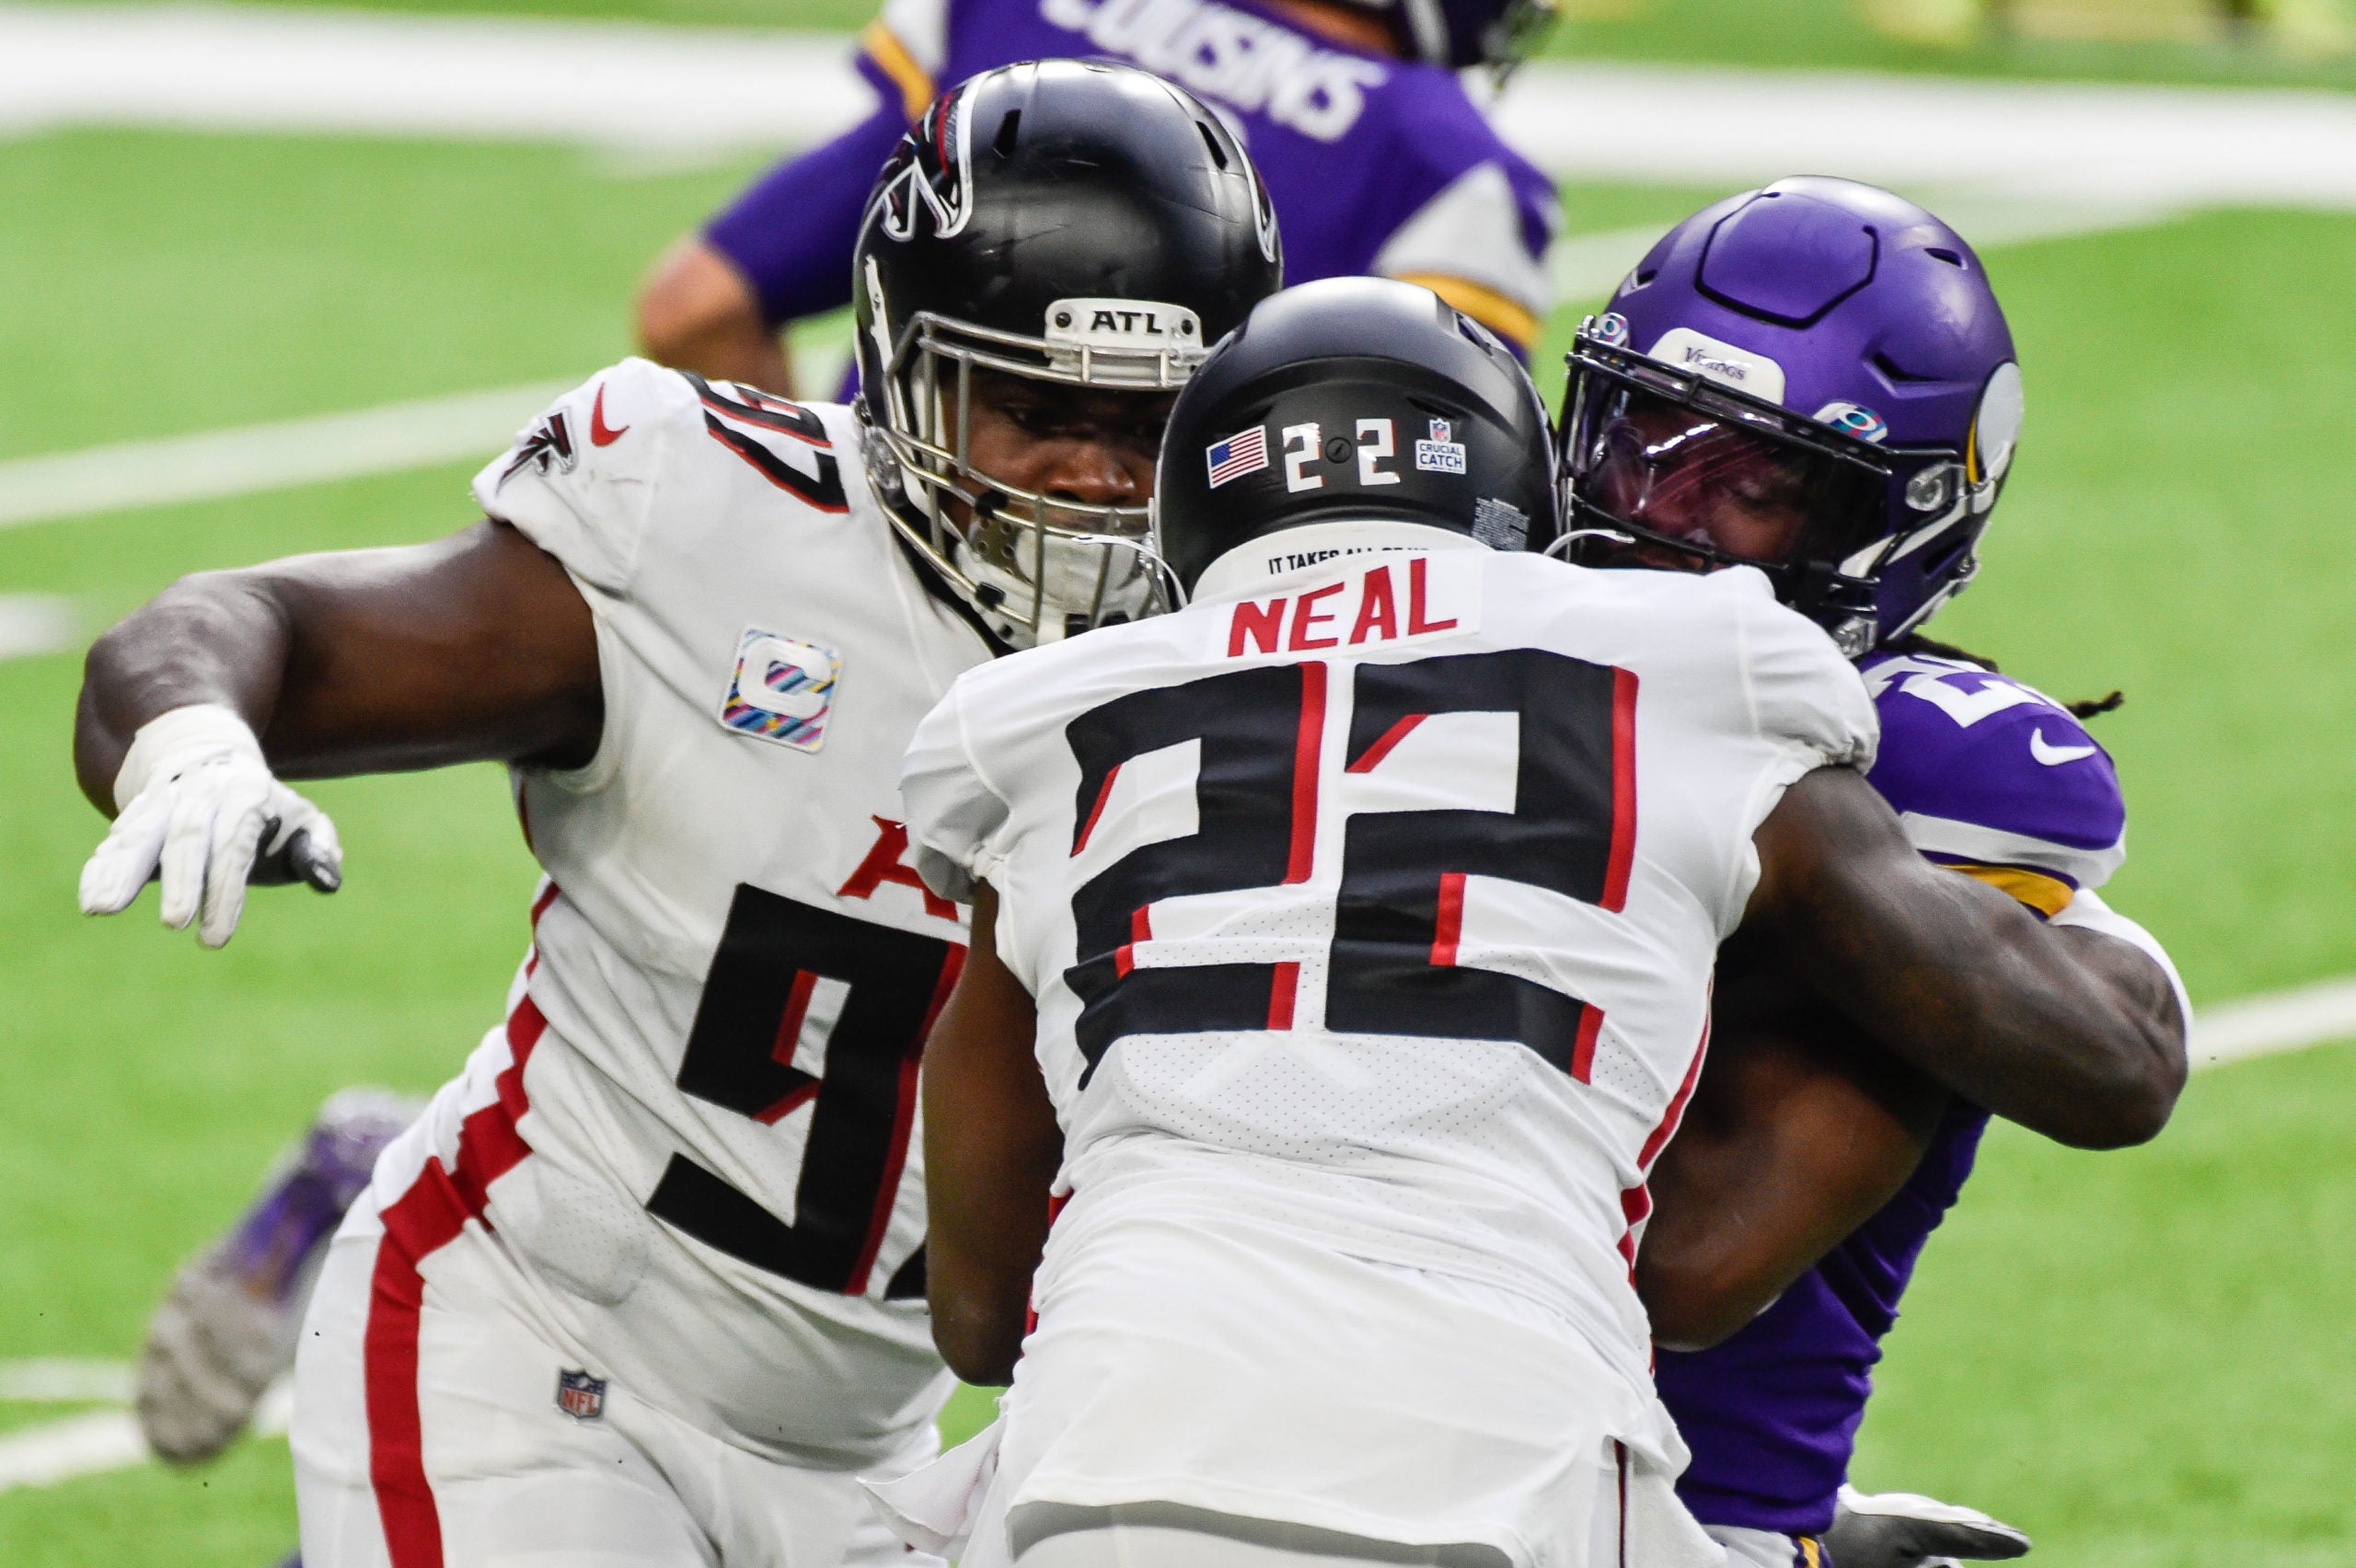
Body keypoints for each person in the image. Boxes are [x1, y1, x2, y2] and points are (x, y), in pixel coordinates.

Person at [74, 62, 1282, 1567]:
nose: (1093, 475)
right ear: (907, 369)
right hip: (532, 1351)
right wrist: (192, 736)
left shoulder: (1256, 663)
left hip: (881, 1452)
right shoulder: (715, 531)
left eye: (1149, 422)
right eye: (1034, 409)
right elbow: (260, 625)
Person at [888, 275, 2182, 1568]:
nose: (1673, 521)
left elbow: (985, 1316)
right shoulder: (1699, 662)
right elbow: (2112, 1069)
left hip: (1097, 1454)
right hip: (1500, 1455)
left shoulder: (1028, 723)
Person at [1550, 177, 2189, 1567]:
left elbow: (1689, 1275)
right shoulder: (1443, 642)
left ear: (1894, 526)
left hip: (1652, 1507)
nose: (1654, 513)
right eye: (1635, 442)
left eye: (1754, 483)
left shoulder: (1917, 774)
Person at [636, 0, 1564, 394]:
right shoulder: (1447, 163)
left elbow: (694, 307)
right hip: (1145, 687)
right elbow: (1434, 502)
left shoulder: (1016, 9)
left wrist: (813, 525)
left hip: (873, 588)